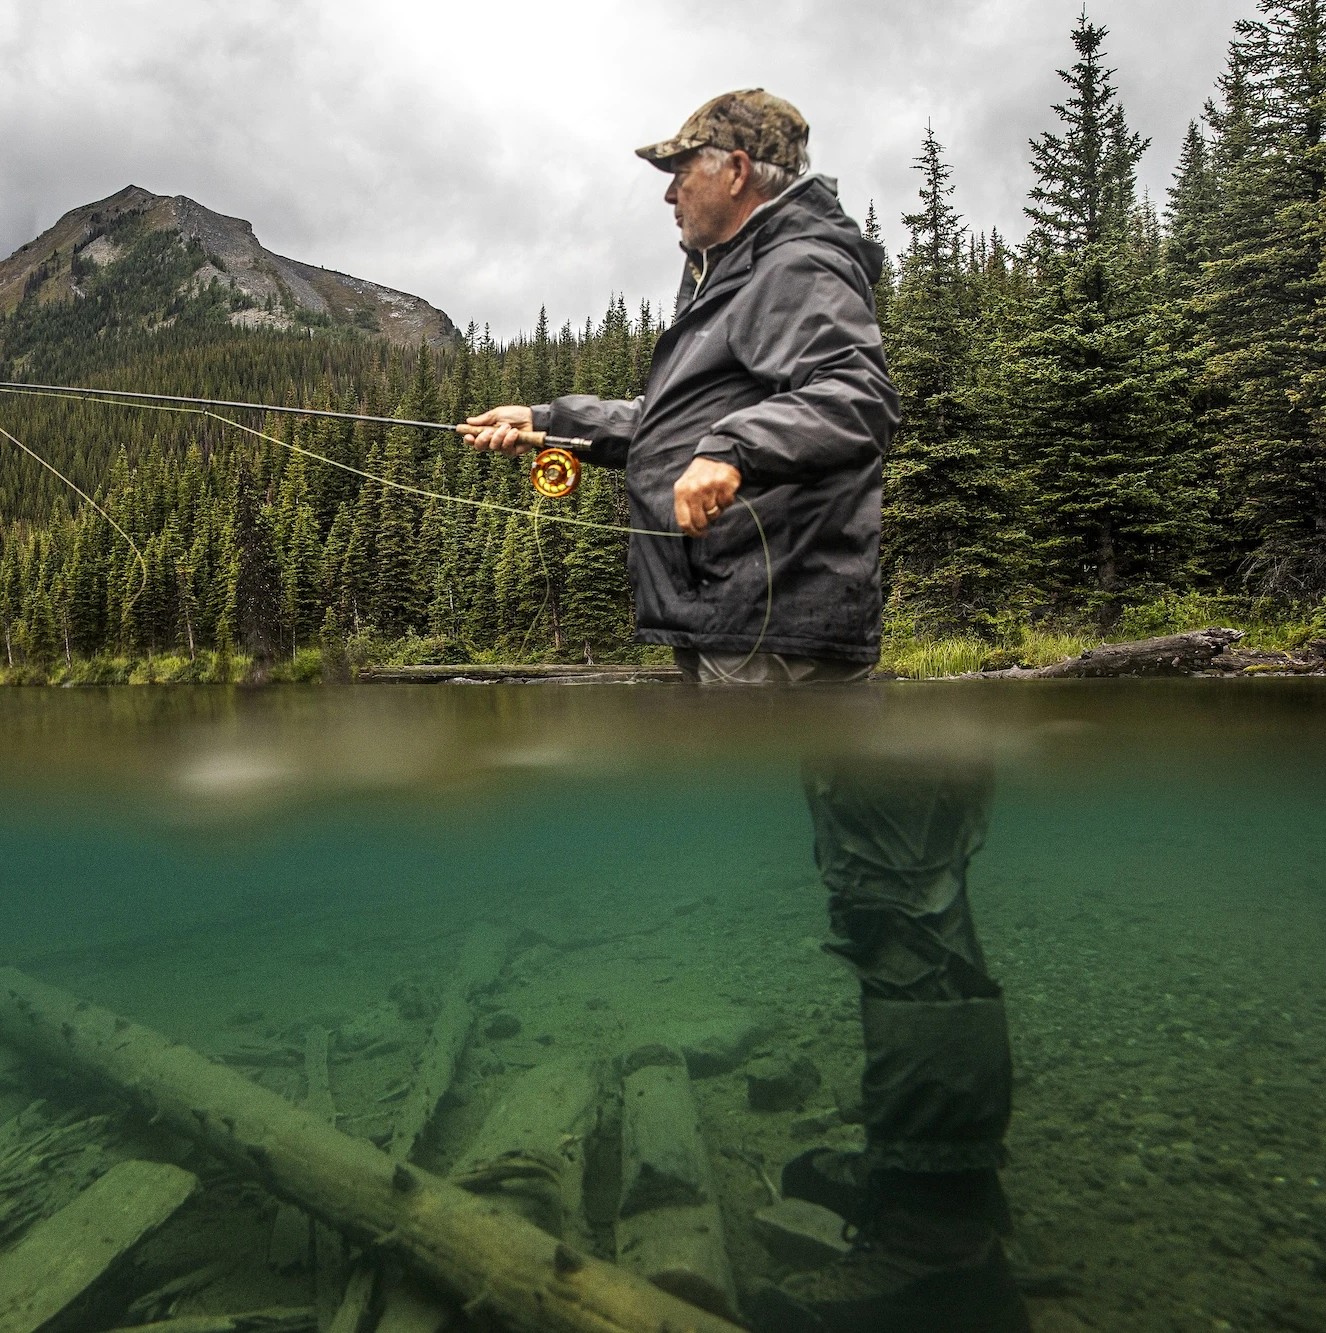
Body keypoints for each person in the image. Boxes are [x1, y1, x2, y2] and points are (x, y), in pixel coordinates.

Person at [460, 91, 1029, 1332]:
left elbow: (853, 398)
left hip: (781, 627)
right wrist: (553, 423)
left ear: (737, 167)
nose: (664, 190)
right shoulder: (736, 273)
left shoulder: (798, 259)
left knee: (897, 903)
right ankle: (913, 1176)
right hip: (751, 624)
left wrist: (743, 449)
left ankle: (939, 1244)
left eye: (676, 170)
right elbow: (677, 426)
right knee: (878, 893)